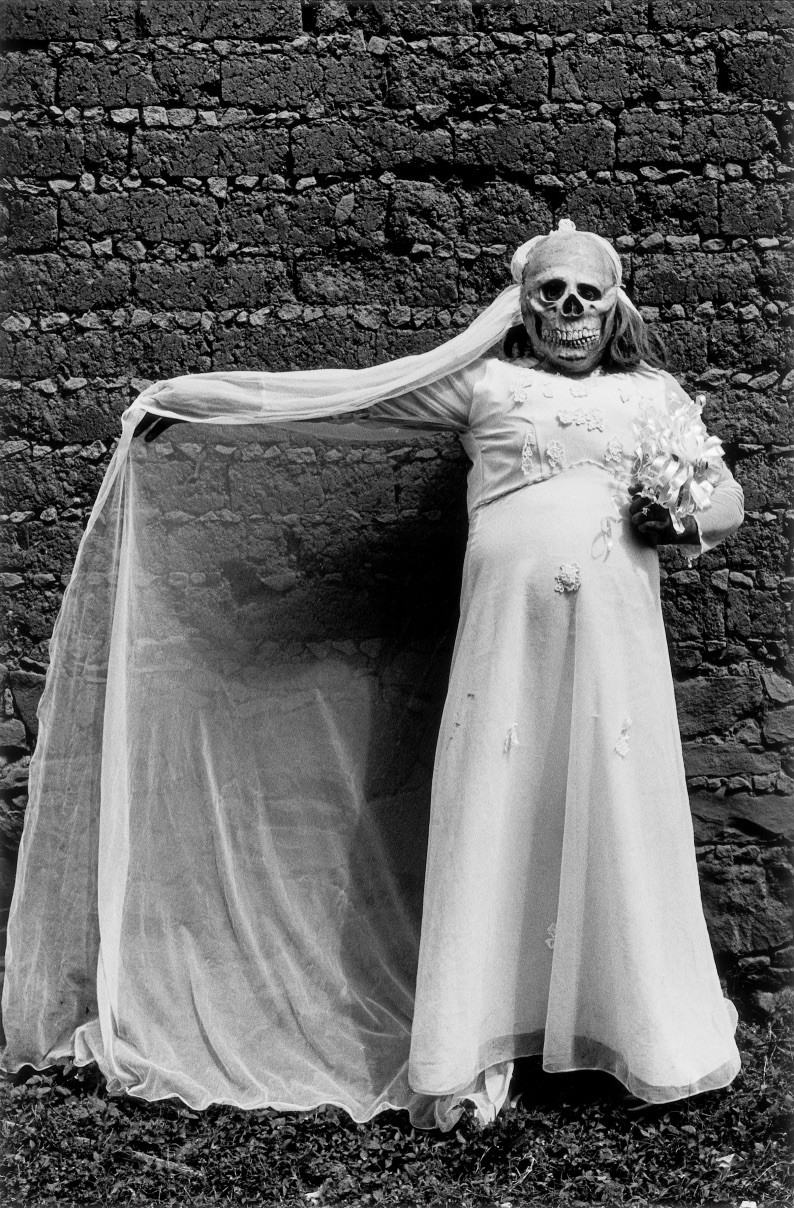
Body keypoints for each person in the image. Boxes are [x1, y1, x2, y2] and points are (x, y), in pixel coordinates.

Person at [2, 222, 743, 1130]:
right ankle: (477, 1037)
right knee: (502, 812)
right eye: (550, 293)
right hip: (507, 661)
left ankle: (638, 1030)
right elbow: (355, 398)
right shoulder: (487, 383)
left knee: (614, 814)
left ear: (616, 304)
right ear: (521, 306)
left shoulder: (652, 394)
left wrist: (687, 518)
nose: (570, 312)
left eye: (588, 294)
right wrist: (207, 400)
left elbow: (724, 492)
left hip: (615, 660)